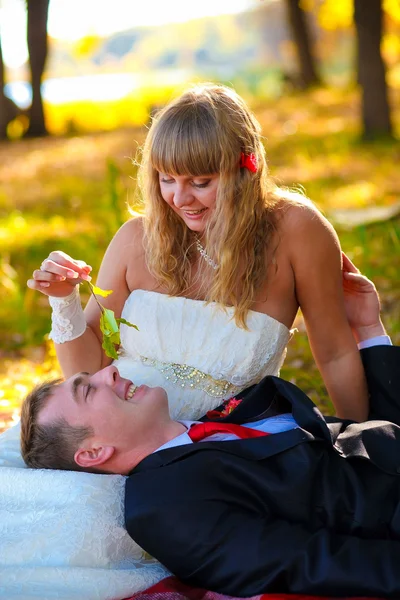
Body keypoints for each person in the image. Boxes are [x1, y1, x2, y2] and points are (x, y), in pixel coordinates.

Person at [20, 260, 399, 599]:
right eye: (88, 390)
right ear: (93, 453)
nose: (110, 370)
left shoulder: (227, 413)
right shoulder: (164, 508)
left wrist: (368, 329)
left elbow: (365, 439)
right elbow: (308, 562)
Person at [27, 82, 368, 423]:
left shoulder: (297, 231)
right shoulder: (136, 239)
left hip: (230, 447)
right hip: (121, 438)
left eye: (200, 182)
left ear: (243, 170)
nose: (179, 198)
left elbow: (336, 352)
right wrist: (63, 299)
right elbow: (86, 371)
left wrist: (359, 445)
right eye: (166, 179)